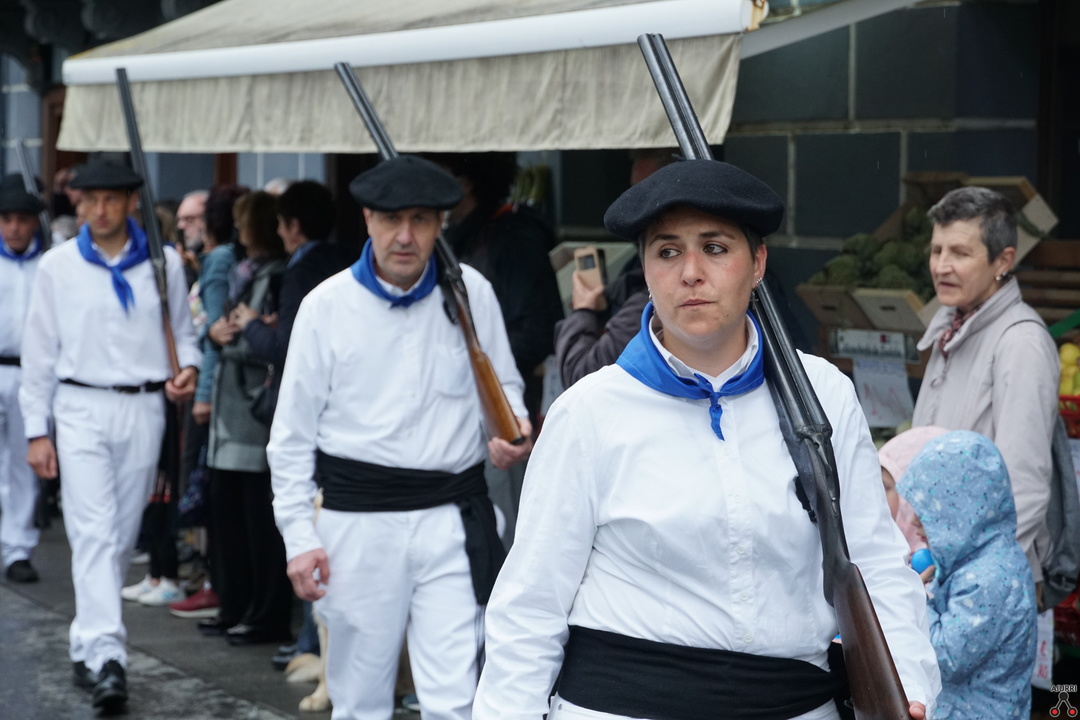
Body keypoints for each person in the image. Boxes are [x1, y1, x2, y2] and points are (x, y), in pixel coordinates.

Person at [473, 159, 940, 720]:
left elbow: (875, 564)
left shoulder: (823, 395)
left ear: (758, 263)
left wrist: (908, 687)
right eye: (667, 252)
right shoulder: (587, 412)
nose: (691, 272)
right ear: (645, 270)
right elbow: (531, 605)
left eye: (715, 248)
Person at [268, 155, 531, 720]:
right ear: (368, 219)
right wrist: (298, 536)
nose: (405, 236)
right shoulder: (326, 306)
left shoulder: (472, 293)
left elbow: (504, 383)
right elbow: (290, 436)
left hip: (452, 521)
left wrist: (511, 427)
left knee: (455, 700)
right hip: (358, 524)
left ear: (440, 223)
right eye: (391, 219)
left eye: (420, 219)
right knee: (360, 700)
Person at [19, 159, 200, 712]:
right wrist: (37, 431)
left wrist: (188, 369)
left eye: (111, 200)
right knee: (94, 531)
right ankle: (108, 656)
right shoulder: (57, 266)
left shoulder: (164, 263)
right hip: (79, 406)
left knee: (119, 536)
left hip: (143, 408)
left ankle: (87, 642)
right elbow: (39, 353)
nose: (100, 211)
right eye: (90, 200)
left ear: (129, 203)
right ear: (78, 204)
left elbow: (183, 335)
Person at [911, 186, 1060, 603]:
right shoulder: (949, 328)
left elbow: (1024, 486)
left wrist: (973, 578)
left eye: (960, 253)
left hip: (987, 588)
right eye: (936, 250)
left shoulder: (1021, 343)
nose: (942, 265)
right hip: (941, 570)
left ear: (1003, 261)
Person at [200, 190, 292, 647]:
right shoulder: (247, 272)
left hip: (254, 419)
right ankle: (234, 605)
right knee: (229, 520)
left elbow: (270, 345)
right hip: (231, 418)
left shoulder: (275, 277)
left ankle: (262, 614)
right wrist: (216, 334)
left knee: (258, 525)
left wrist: (228, 338)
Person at [897, 430, 1037, 718]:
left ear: (961, 513)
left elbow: (944, 658)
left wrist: (916, 595)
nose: (914, 521)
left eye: (930, 511)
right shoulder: (980, 559)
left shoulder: (988, 580)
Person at [0, 175, 47, 583]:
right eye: (6, 219)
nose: (14, 228)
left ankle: (17, 547)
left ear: (34, 222)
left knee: (22, 461)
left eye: (21, 219)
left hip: (29, 371)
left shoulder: (48, 267)